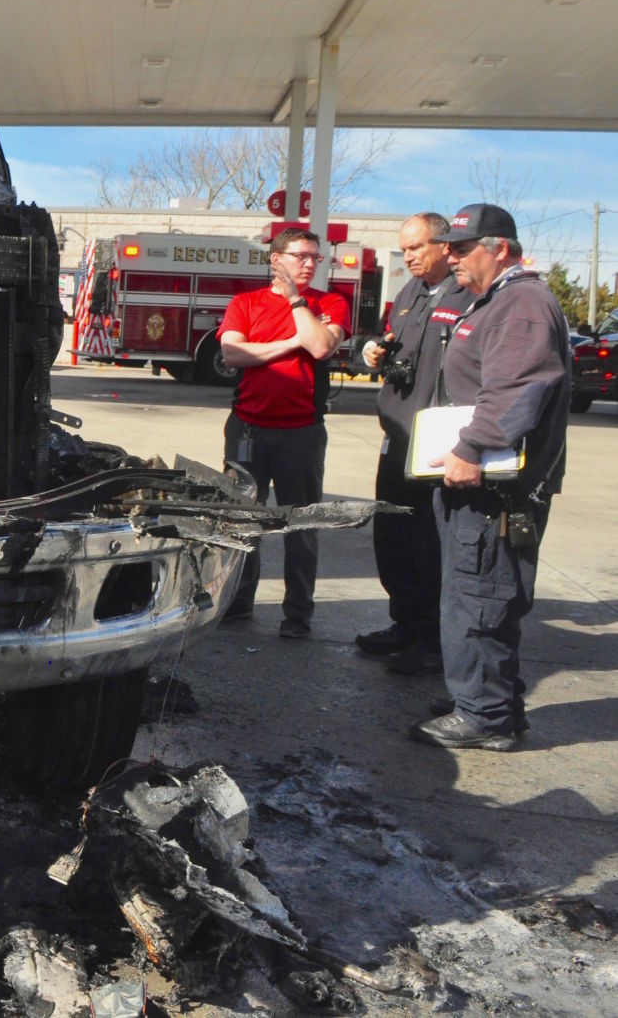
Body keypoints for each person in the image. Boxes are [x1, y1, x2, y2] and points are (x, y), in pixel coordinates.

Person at [410, 204, 570, 751]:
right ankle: (483, 695)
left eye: (461, 247)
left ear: (499, 247)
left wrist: (472, 447)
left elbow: (517, 389)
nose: (450, 256)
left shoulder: (522, 303)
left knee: (481, 593)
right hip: (483, 482)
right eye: (449, 246)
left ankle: (484, 717)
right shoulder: (499, 298)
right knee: (476, 589)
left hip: (495, 487)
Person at [354, 213, 475, 676]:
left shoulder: (469, 294)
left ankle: (431, 640)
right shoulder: (409, 293)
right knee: (393, 534)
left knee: (430, 542)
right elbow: (392, 345)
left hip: (440, 439)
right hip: (399, 434)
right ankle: (403, 623)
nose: (408, 258)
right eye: (403, 250)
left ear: (445, 245)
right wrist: (371, 351)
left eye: (416, 248)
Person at [217, 225, 349, 639]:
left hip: (301, 433)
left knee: (301, 526)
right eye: (300, 256)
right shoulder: (246, 303)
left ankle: (297, 615)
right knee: (242, 519)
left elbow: (322, 348)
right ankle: (238, 603)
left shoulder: (330, 302)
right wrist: (294, 341)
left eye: (315, 256)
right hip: (248, 429)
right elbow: (232, 353)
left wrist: (295, 302)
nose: (309, 263)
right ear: (275, 259)